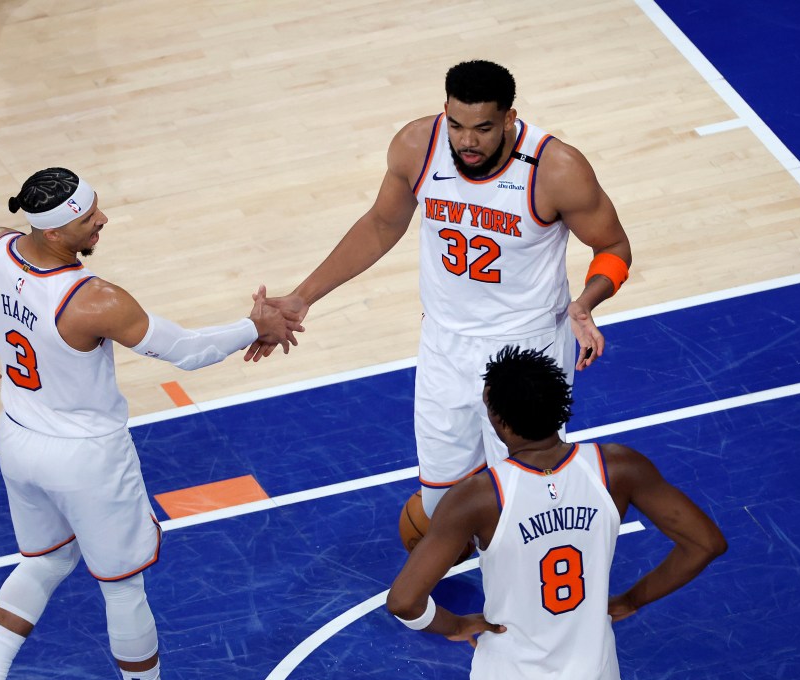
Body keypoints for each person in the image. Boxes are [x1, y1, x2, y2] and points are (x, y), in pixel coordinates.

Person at [0, 167, 299, 680]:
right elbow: (186, 351)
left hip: (18, 441)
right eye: (89, 218)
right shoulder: (94, 300)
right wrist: (256, 325)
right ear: (57, 232)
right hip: (87, 460)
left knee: (44, 562)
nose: (102, 220)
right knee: (122, 587)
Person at [247, 59, 633, 520]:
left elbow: (613, 245)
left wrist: (587, 301)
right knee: (441, 501)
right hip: (443, 343)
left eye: (483, 128)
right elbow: (380, 225)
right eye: (456, 124)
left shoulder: (557, 168)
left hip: (527, 350)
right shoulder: (418, 146)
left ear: (510, 118)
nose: (467, 141)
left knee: (523, 501)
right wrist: (302, 296)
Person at [386, 345, 727, 680]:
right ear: (560, 404)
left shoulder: (478, 498)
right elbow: (705, 543)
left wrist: (454, 625)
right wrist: (631, 600)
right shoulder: (619, 468)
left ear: (498, 419)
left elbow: (405, 602)